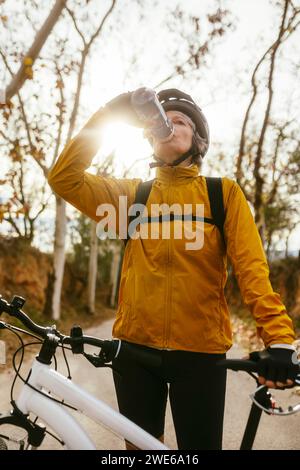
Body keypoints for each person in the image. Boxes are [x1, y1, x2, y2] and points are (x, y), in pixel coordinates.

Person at [48, 88, 298, 450]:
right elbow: (64, 178)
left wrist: (278, 339)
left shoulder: (222, 195)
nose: (167, 125)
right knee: (142, 453)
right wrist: (108, 114)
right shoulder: (134, 198)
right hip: (134, 353)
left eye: (179, 120)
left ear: (198, 138)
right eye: (160, 121)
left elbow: (252, 271)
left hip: (200, 356)